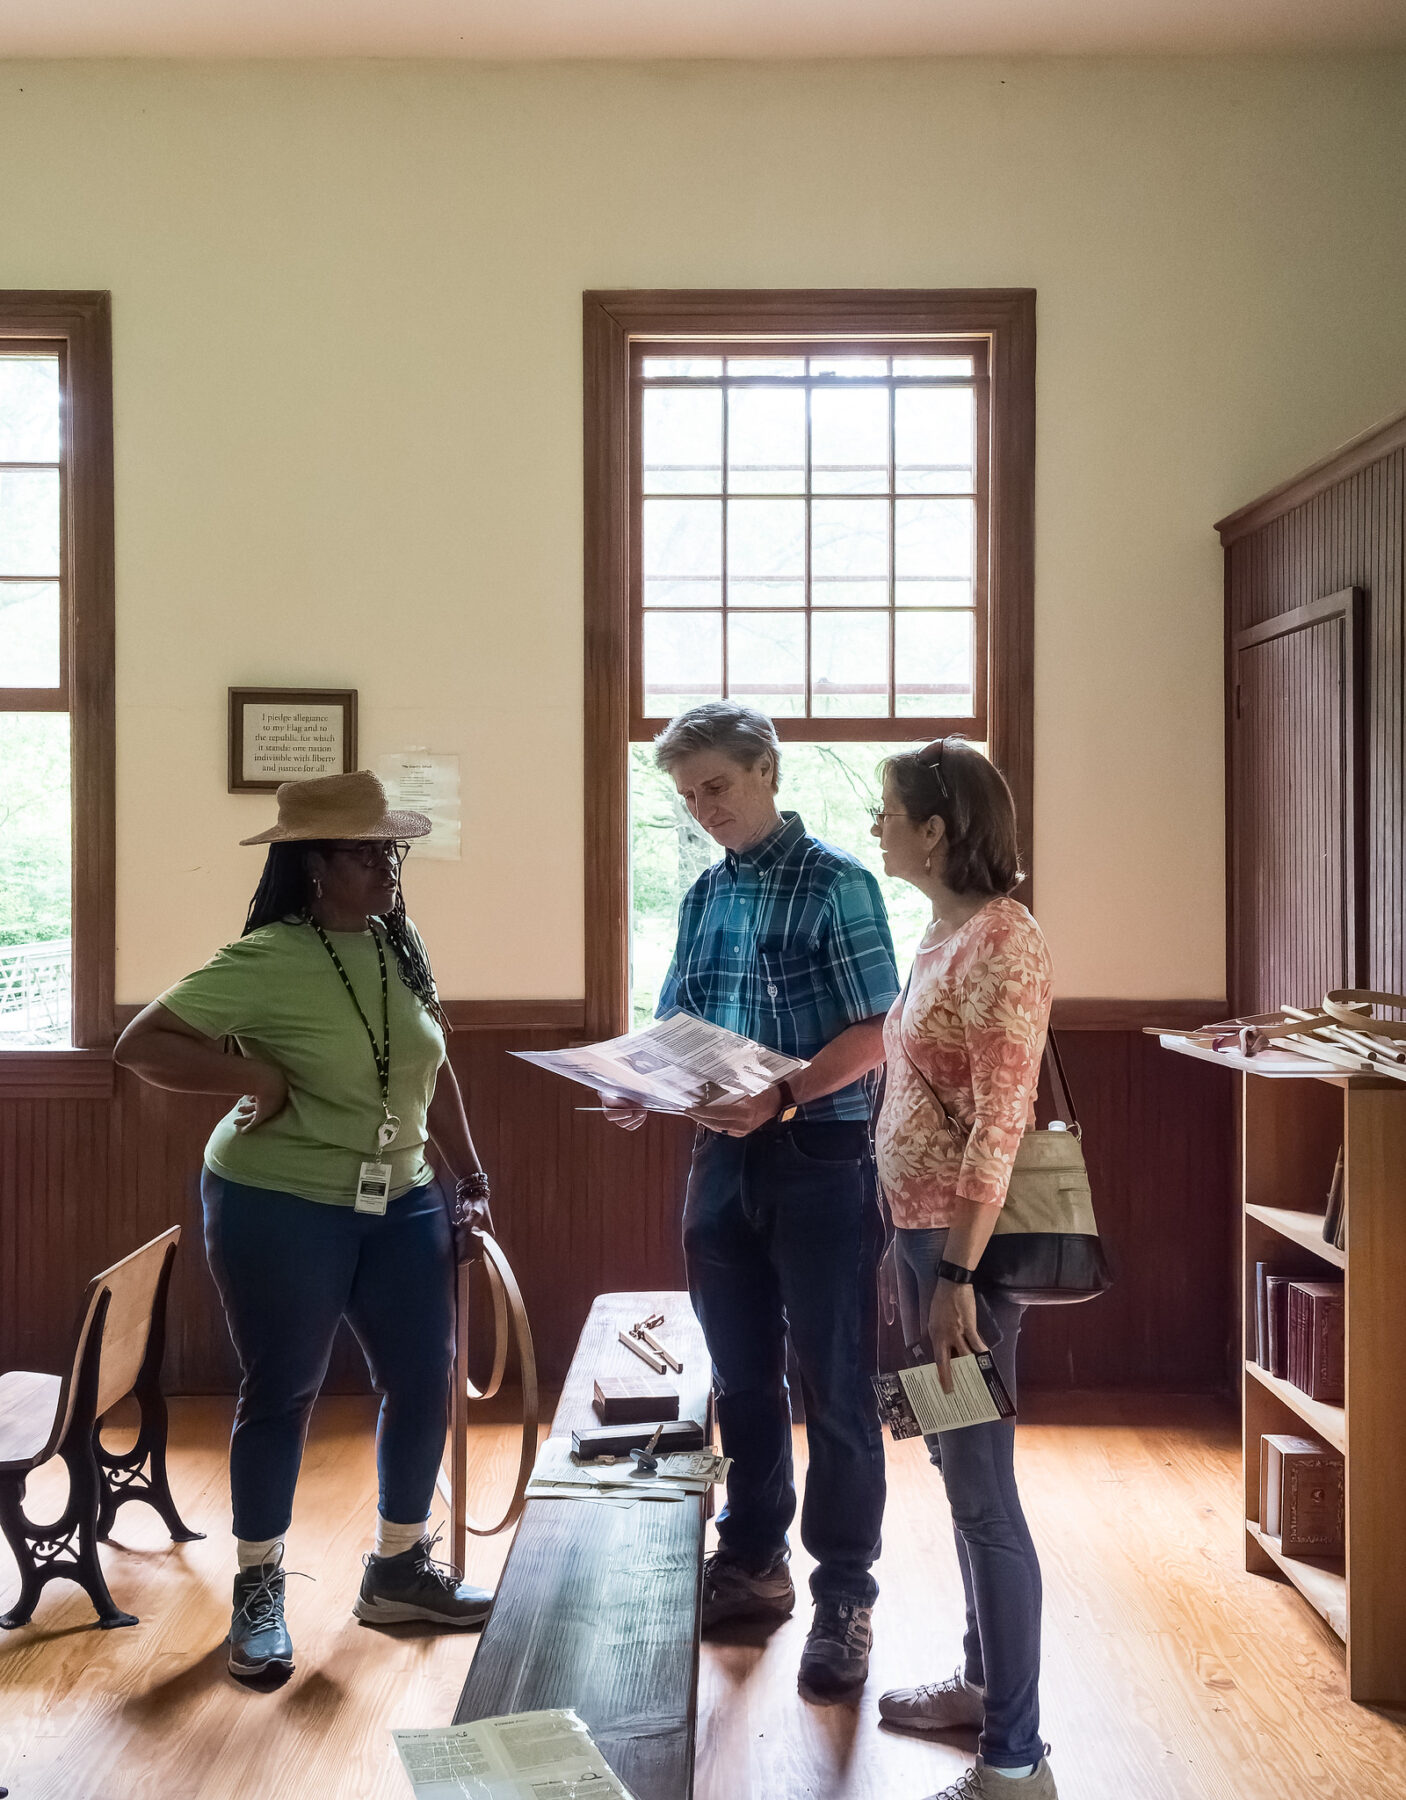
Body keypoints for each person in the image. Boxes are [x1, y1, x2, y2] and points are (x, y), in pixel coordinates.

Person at [114, 770, 496, 1682]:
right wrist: (258, 1079)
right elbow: (143, 1045)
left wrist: (469, 1174)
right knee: (284, 1388)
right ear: (315, 866)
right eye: (367, 852)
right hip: (277, 1204)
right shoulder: (267, 957)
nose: (388, 867)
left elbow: (430, 1072)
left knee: (422, 1375)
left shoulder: (401, 944)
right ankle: (258, 1590)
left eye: (389, 849)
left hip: (402, 1200)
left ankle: (400, 1570)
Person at [608, 701, 900, 1697]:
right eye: (688, 797)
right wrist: (634, 1081)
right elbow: (675, 1022)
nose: (703, 810)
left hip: (820, 1155)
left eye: (717, 788)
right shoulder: (701, 895)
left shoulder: (839, 885)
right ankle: (751, 1563)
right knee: (738, 1379)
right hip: (717, 1159)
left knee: (836, 1385)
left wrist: (780, 1094)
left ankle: (846, 1595)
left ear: (766, 772)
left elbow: (873, 1034)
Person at [868, 737, 1057, 1799]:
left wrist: (952, 1283)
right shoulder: (940, 931)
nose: (876, 824)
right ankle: (984, 1686)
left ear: (936, 829)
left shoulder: (1002, 943)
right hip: (915, 1238)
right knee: (952, 1469)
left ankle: (1015, 1761)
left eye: (887, 809)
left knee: (983, 1496)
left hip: (959, 1259)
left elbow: (997, 1126)